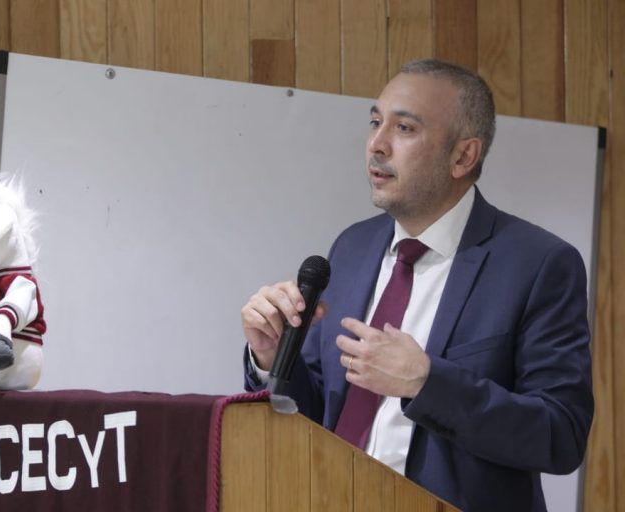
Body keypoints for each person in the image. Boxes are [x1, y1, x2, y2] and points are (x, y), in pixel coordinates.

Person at [241, 59, 594, 512]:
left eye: (404, 128)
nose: (376, 144)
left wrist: (427, 383)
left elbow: (560, 435)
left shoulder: (539, 264)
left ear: (463, 156)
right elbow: (319, 411)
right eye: (375, 122)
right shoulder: (351, 247)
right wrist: (273, 360)